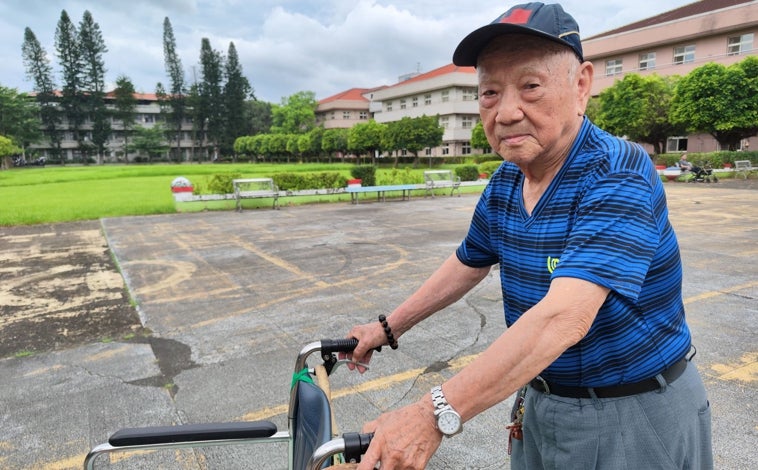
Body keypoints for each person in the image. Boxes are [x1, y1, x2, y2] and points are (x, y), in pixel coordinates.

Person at [343, 3, 713, 469]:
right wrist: (387, 328)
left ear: (580, 86)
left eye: (530, 86)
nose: (507, 112)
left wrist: (432, 415)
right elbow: (468, 261)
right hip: (541, 399)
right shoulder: (506, 181)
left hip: (632, 409)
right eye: (490, 92)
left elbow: (564, 317)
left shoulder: (618, 173)